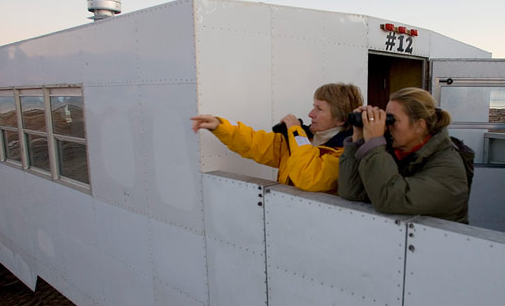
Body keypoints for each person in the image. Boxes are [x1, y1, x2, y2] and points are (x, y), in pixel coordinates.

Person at [191, 83, 363, 193]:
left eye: (319, 109)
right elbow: (254, 143)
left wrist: (296, 132)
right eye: (313, 107)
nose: (311, 114)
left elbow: (309, 177)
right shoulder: (300, 140)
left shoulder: (345, 152)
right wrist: (220, 126)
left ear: (340, 119)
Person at [338, 87, 469, 223]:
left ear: (419, 125)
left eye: (392, 120)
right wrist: (359, 138)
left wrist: (374, 144)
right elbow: (351, 191)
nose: (387, 126)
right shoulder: (394, 153)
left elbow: (389, 199)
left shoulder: (448, 168)